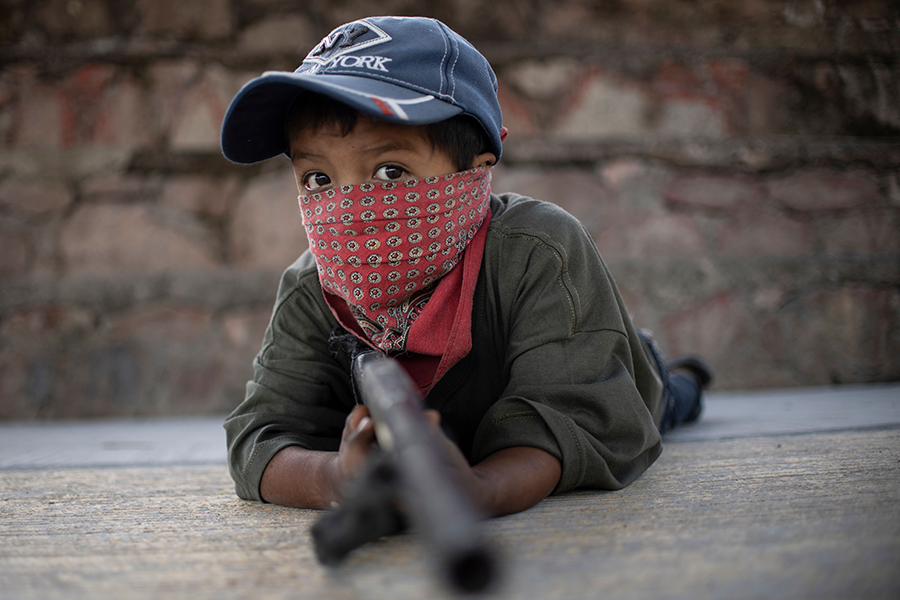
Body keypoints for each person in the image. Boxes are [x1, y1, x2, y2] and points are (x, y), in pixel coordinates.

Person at [220, 16, 713, 518]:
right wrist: (337, 477)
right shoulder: (311, 289)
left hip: (606, 363)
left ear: (475, 172)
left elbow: (581, 416)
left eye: (391, 171)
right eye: (319, 179)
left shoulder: (539, 248)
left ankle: (686, 376)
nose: (350, 206)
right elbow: (258, 438)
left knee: (669, 399)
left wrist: (481, 490)